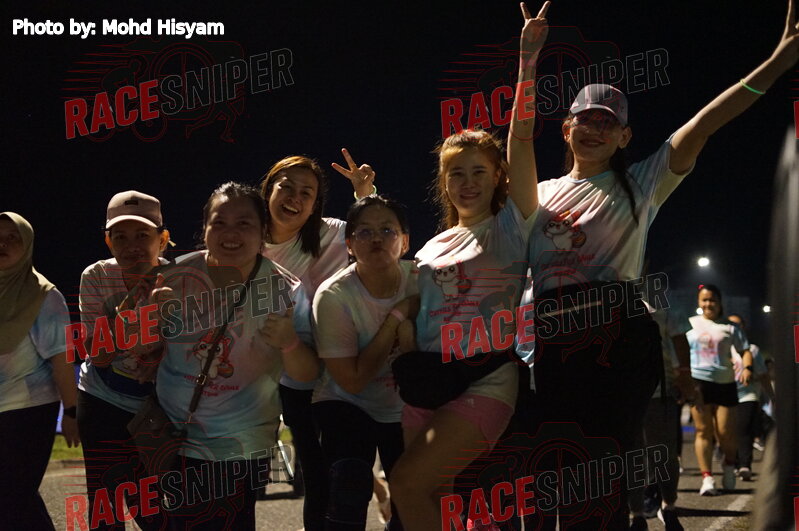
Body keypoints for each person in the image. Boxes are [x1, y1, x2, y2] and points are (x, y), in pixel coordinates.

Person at [521, 0, 799, 526]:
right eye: (585, 119)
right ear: (565, 128)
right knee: (561, 472)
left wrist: (776, 63)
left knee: (602, 471)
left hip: (616, 339)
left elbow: (705, 123)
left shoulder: (641, 184)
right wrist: (527, 62)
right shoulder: (538, 194)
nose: (594, 129)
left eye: (608, 123)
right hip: (552, 343)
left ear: (625, 136)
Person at [389, 3, 543, 527]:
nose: (468, 183)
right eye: (456, 173)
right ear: (444, 182)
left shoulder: (510, 226)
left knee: (406, 483)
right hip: (426, 383)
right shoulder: (432, 245)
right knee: (436, 501)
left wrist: (527, 61)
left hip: (484, 382)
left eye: (479, 172)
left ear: (499, 177)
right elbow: (413, 306)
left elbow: (522, 137)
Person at [138, 182, 320, 530]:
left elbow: (308, 374)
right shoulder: (173, 277)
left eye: (244, 223)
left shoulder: (286, 290)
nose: (230, 233)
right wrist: (149, 321)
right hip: (172, 434)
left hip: (241, 442)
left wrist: (289, 343)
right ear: (205, 228)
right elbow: (140, 355)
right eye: (219, 222)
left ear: (263, 231)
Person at [261, 151, 379, 530]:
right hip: (281, 375)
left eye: (306, 193)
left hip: (339, 368)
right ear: (268, 189)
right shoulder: (248, 243)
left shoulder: (332, 234)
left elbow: (376, 235)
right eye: (286, 187)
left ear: (315, 205)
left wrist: (364, 193)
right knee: (311, 469)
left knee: (338, 471)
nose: (294, 198)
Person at [312, 195, 418, 530]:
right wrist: (396, 318)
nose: (376, 239)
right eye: (364, 232)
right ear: (349, 245)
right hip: (346, 400)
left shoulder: (423, 279)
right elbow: (353, 380)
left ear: (404, 242)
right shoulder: (334, 296)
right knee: (349, 485)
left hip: (403, 405)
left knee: (412, 502)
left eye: (387, 230)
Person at [76, 191, 170, 530]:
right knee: (105, 506)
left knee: (152, 506)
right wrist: (129, 306)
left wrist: (160, 356)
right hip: (101, 397)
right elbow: (98, 355)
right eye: (120, 237)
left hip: (156, 405)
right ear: (108, 241)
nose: (132, 246)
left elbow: (194, 348)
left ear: (163, 239)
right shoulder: (96, 276)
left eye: (142, 235)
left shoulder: (181, 278)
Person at [0, 211, 80, 530]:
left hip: (29, 412)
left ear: (27, 245)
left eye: (13, 238)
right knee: (15, 501)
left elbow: (62, 360)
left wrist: (71, 412)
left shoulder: (44, 296)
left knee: (13, 497)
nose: (3, 244)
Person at [628, 305, 693, 531]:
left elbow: (680, 339)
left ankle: (669, 506)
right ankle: (637, 515)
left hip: (659, 390)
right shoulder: (611, 300)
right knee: (632, 455)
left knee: (664, 453)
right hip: (626, 394)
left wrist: (685, 375)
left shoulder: (664, 304)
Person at [688, 285, 751, 496]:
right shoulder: (690, 324)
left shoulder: (731, 327)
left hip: (725, 383)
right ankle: (707, 478)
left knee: (725, 433)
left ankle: (729, 465)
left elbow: (745, 350)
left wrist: (747, 368)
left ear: (720, 302)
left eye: (712, 300)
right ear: (699, 302)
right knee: (702, 431)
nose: (708, 304)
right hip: (698, 382)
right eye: (704, 300)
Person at [727, 313, 774, 481]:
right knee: (728, 431)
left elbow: (763, 375)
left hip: (748, 394)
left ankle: (745, 465)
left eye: (738, 325)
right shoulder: (722, 347)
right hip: (726, 394)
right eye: (731, 324)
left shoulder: (752, 350)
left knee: (744, 428)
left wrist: (771, 396)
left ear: (743, 328)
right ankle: (732, 462)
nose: (734, 328)